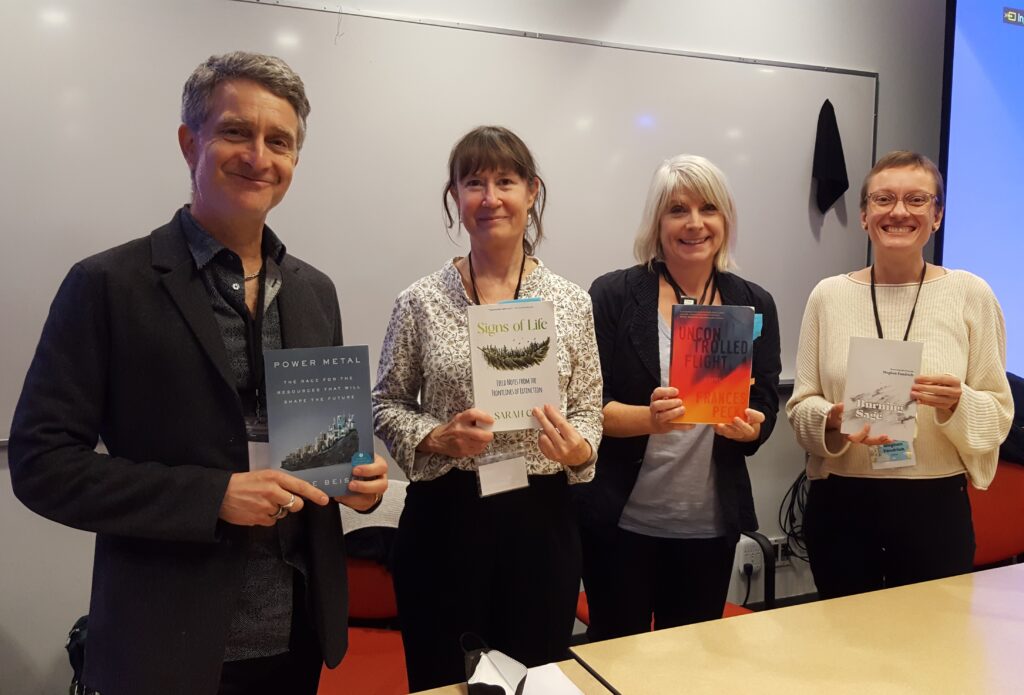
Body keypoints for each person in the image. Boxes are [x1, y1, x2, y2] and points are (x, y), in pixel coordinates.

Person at [8, 52, 388, 695]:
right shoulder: (107, 285)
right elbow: (42, 463)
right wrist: (213, 497)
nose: (258, 157)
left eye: (280, 141)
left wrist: (358, 484)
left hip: (296, 634)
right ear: (191, 142)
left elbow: (316, 456)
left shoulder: (312, 291)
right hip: (163, 643)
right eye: (236, 132)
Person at [372, 125, 603, 691]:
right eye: (473, 182)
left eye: (505, 181)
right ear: (455, 197)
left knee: (534, 677)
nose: (490, 197)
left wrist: (579, 448)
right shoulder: (420, 301)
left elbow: (590, 407)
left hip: (540, 521)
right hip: (446, 520)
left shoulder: (571, 302)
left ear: (532, 193)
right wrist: (435, 437)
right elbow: (386, 403)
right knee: (442, 677)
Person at [787, 150, 1013, 599]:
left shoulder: (971, 294)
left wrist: (958, 402)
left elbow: (999, 414)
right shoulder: (828, 296)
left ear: (937, 216)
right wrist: (831, 417)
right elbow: (799, 409)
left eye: (916, 200)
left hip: (934, 506)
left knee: (931, 648)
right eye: (884, 199)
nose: (899, 212)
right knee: (844, 644)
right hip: (842, 505)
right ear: (865, 215)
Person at [574, 154, 781, 640]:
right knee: (617, 657)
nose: (694, 223)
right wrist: (649, 419)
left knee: (688, 668)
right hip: (620, 525)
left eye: (708, 208)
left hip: (709, 529)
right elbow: (585, 408)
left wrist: (754, 427)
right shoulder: (614, 295)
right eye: (677, 209)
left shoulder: (753, 302)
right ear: (656, 222)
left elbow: (767, 401)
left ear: (725, 220)